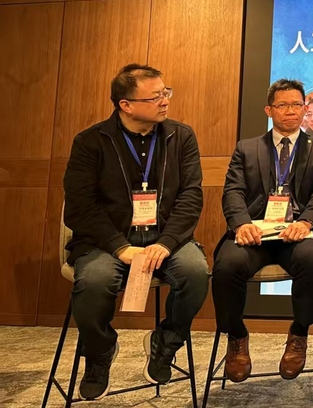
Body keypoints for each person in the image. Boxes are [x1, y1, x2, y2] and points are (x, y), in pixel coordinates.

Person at [63, 64, 208, 400]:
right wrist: (120, 247)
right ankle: (99, 352)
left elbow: (191, 196)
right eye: (155, 96)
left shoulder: (181, 136)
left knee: (196, 272)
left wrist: (167, 243)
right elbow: (80, 206)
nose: (165, 101)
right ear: (125, 105)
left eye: (166, 92)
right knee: (94, 281)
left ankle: (165, 343)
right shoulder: (90, 142)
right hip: (106, 242)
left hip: (166, 239)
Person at [213, 79, 313, 383]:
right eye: (282, 105)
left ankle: (299, 334)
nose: (290, 111)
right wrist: (241, 223)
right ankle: (237, 337)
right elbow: (232, 191)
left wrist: (306, 222)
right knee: (226, 265)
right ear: (269, 110)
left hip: (297, 233)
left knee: (312, 259)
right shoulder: (247, 148)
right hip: (255, 233)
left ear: (305, 108)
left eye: (296, 104)